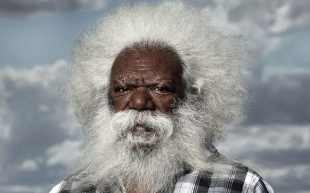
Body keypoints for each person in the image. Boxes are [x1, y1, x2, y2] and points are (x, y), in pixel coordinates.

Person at [49, 2, 274, 193]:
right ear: (104, 98)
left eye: (161, 88)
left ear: (192, 98)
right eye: (122, 89)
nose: (139, 103)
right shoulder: (70, 190)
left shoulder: (239, 187)